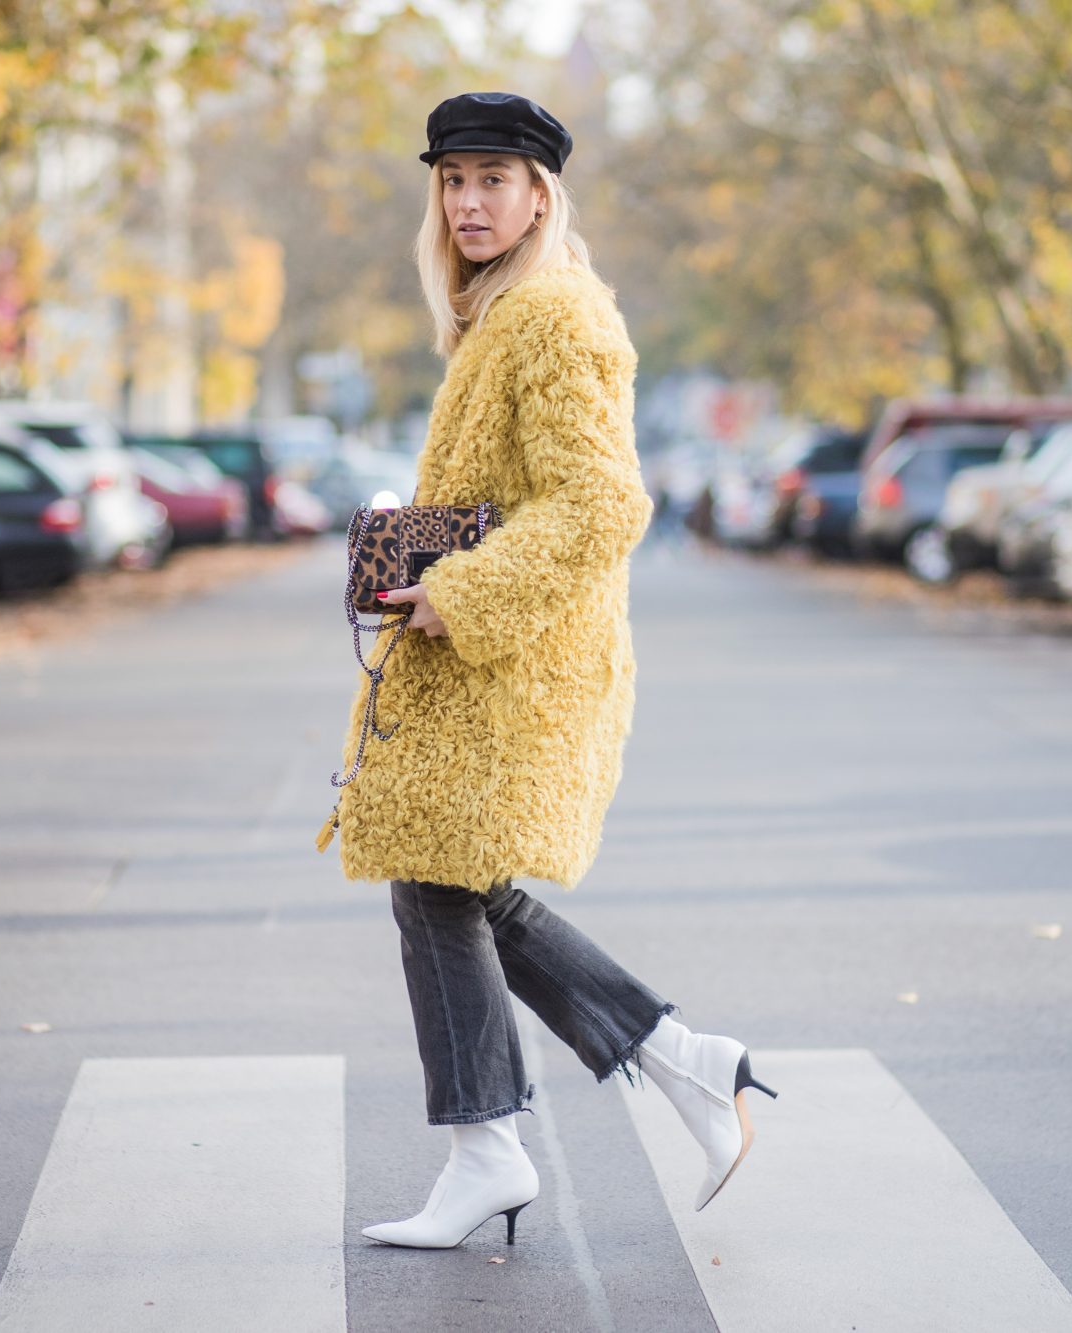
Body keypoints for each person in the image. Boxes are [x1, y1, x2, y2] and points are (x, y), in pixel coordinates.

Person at [319, 91, 777, 1251]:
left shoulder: (554, 318)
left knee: (436, 877)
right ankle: (677, 1063)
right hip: (490, 650)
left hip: (514, 660)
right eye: (452, 180)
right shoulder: (496, 315)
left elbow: (601, 502)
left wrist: (460, 590)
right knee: (452, 882)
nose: (469, 202)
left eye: (492, 179)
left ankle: (494, 1143)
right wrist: (412, 545)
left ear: (539, 194)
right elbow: (516, 497)